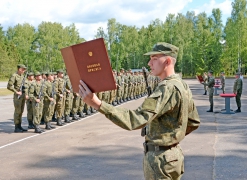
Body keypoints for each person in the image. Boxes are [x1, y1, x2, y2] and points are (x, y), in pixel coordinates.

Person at [79, 42, 200, 180]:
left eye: (154, 59)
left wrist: (98, 104)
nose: (149, 63)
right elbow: (193, 121)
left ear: (167, 61)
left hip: (160, 159)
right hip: (173, 156)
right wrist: (172, 134)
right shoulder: (181, 84)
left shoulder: (167, 88)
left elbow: (135, 119)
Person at [7, 64, 28, 133]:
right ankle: (16, 127)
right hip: (17, 96)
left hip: (22, 96)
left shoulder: (22, 76)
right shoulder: (14, 76)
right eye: (23, 69)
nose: (24, 71)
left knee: (21, 111)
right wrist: (16, 92)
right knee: (17, 111)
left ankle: (19, 126)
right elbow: (9, 86)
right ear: (19, 69)